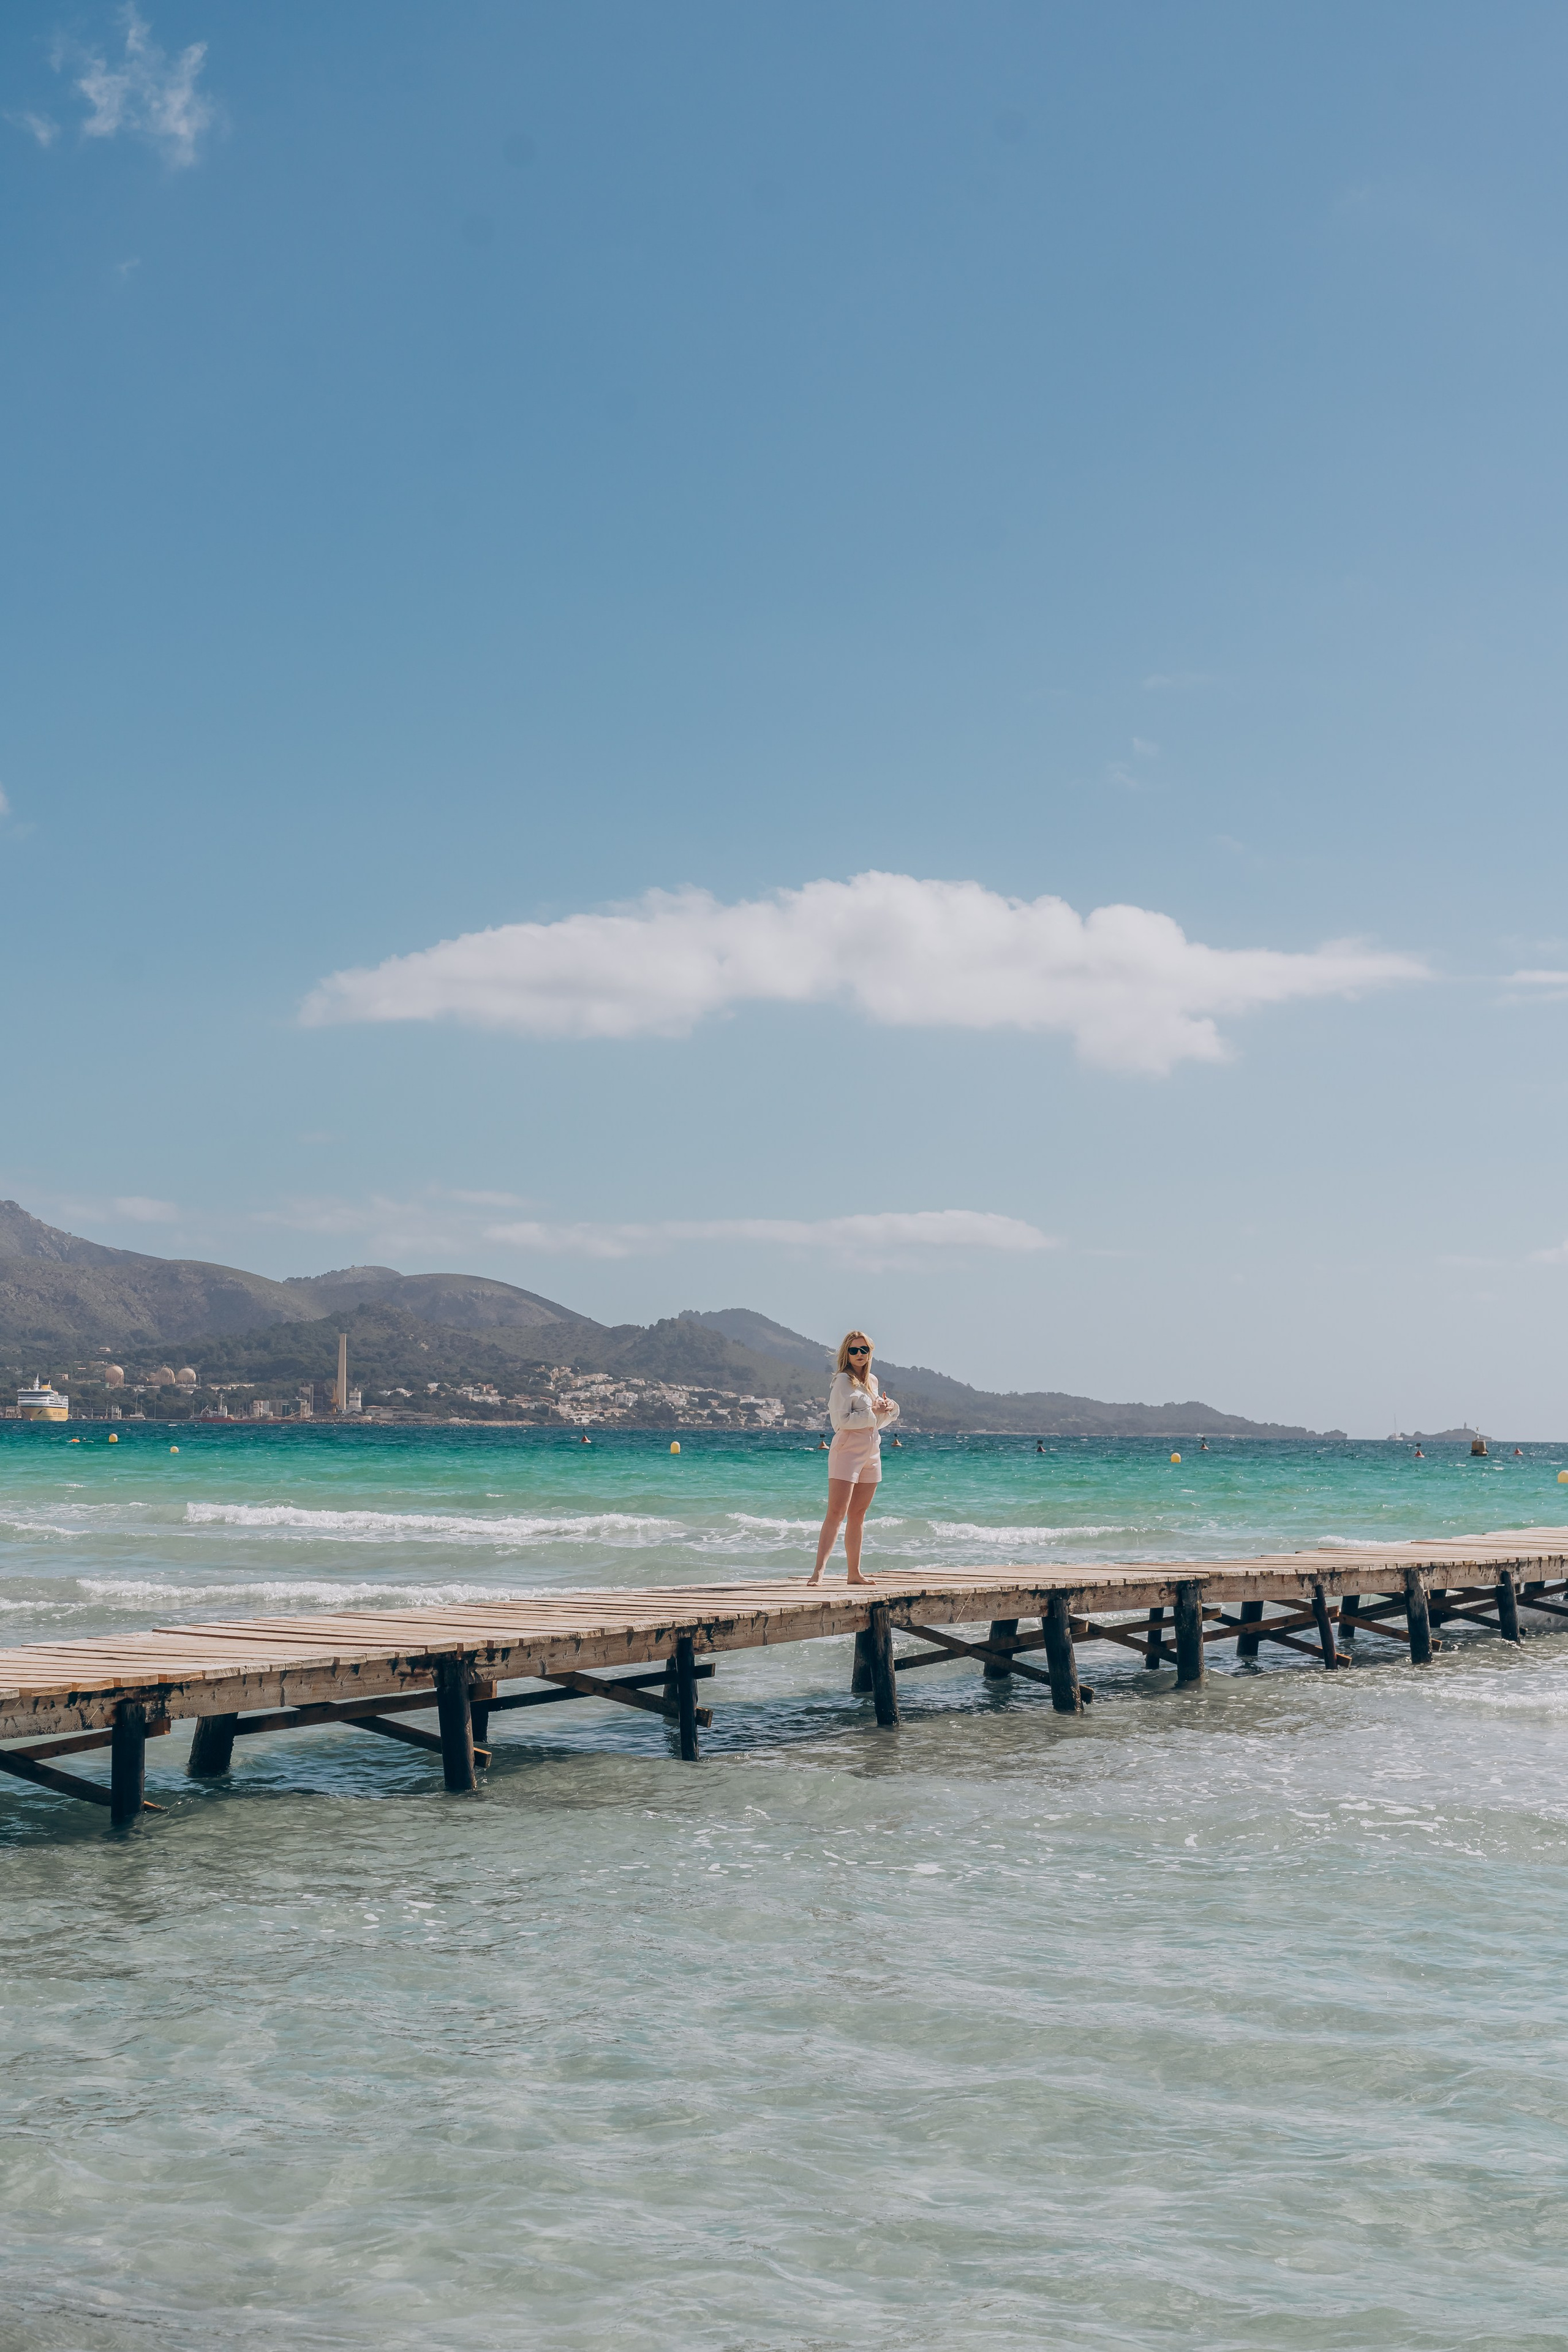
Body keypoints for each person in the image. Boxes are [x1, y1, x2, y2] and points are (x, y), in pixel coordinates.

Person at [809, 1330, 899, 1585]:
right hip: (847, 1450)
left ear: (871, 1352)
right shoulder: (842, 1381)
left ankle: (854, 1574)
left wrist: (887, 1409)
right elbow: (840, 1422)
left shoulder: (872, 1380)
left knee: (858, 1514)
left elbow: (877, 1422)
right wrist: (872, 1412)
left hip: (872, 1450)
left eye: (864, 1350)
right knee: (836, 1513)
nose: (859, 1355)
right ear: (846, 1354)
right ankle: (818, 1572)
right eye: (854, 1350)